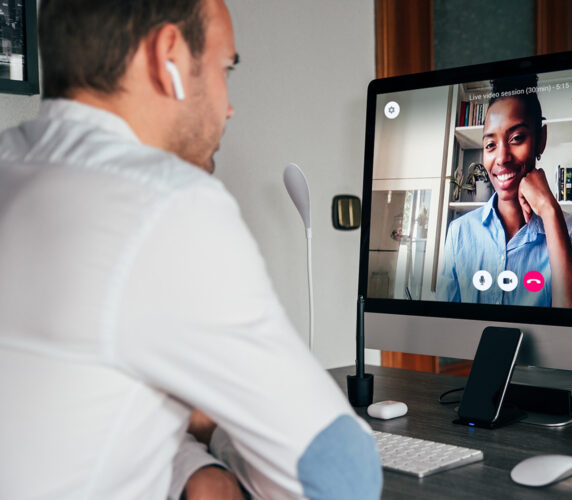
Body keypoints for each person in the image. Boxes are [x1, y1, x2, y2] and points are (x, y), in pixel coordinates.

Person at [0, 1, 381, 499]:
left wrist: (188, 466)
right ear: (169, 56)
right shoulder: (164, 202)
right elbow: (340, 476)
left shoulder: (12, 166)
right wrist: (215, 431)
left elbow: (58, 418)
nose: (229, 105)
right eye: (225, 69)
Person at [436, 75, 572, 308]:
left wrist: (550, 212)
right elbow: (446, 327)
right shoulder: (460, 232)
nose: (502, 158)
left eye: (517, 138)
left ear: (541, 140)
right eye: (490, 145)